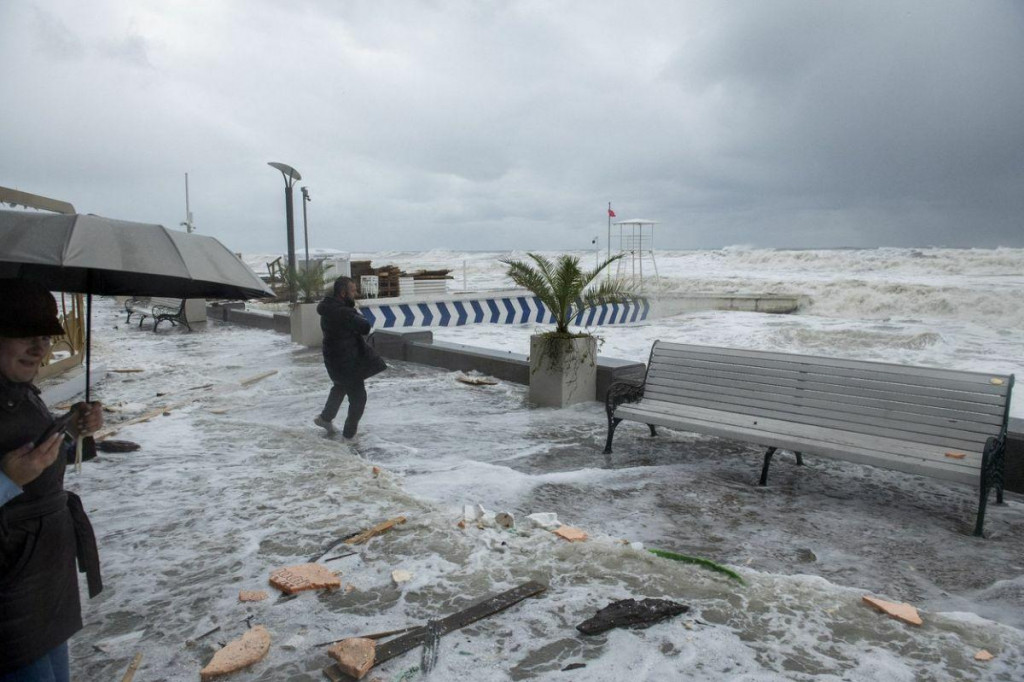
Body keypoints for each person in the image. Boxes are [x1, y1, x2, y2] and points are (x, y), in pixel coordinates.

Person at [0, 280, 104, 682]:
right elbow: (17, 472)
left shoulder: (20, 391)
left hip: (44, 574)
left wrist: (74, 432)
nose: (39, 348)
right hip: (12, 586)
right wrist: (7, 480)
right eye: (25, 335)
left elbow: (36, 458)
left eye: (44, 336)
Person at [314, 276, 385, 439]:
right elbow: (365, 327)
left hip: (333, 358)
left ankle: (325, 418)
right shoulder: (343, 312)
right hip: (347, 361)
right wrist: (354, 312)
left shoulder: (328, 308)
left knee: (340, 386)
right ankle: (349, 437)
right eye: (353, 291)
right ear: (343, 293)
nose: (356, 293)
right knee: (359, 398)